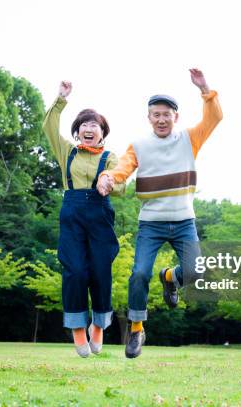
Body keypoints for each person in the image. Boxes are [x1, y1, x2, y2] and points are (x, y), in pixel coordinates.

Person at [97, 68, 222, 358]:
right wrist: (109, 178)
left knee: (195, 271)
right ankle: (137, 329)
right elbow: (123, 167)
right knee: (139, 273)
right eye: (156, 114)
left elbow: (214, 118)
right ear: (149, 117)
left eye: (167, 114)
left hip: (183, 221)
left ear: (175, 117)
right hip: (151, 225)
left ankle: (171, 277)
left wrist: (205, 89)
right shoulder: (139, 145)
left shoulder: (190, 139)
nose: (162, 119)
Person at [42, 81, 125, 357]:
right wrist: (60, 99)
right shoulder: (68, 151)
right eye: (83, 125)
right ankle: (78, 328)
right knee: (75, 270)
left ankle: (98, 326)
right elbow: (49, 126)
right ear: (77, 132)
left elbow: (121, 179)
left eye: (94, 125)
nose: (88, 129)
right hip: (73, 214)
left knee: (101, 271)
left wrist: (108, 181)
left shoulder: (111, 157)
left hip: (100, 214)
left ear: (103, 132)